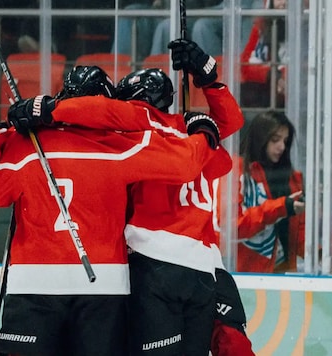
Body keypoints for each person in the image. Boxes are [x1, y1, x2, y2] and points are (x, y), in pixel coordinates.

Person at [0, 65, 226, 355]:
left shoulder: (28, 144)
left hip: (33, 281)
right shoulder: (122, 145)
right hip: (104, 284)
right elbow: (185, 164)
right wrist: (204, 133)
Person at [43, 39, 249, 355]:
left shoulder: (136, 129)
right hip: (205, 268)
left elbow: (99, 111)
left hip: (153, 261)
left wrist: (47, 110)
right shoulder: (194, 134)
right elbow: (232, 122)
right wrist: (208, 77)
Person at [233, 110, 305, 273]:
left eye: (285, 141)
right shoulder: (238, 171)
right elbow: (233, 226)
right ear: (260, 139)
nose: (282, 147)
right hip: (246, 272)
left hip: (283, 270)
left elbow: (299, 228)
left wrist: (319, 253)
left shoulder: (291, 178)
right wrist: (281, 208)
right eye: (275, 140)